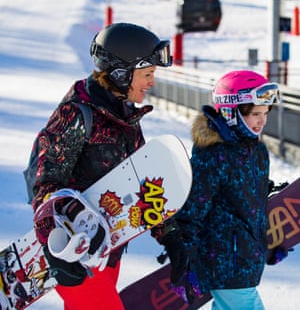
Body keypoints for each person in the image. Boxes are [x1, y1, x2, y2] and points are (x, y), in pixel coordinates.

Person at [30, 22, 172, 310]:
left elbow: (144, 185)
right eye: (146, 74)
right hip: (75, 255)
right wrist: (54, 243)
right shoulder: (77, 114)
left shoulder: (126, 118)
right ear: (121, 74)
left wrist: (170, 235)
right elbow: (46, 184)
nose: (151, 82)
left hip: (110, 250)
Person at [152, 70, 281, 310]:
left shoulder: (257, 152)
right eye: (255, 114)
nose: (262, 121)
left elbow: (251, 209)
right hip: (222, 259)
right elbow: (191, 210)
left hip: (245, 259)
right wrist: (184, 260)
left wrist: (268, 245)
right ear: (230, 112)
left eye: (265, 113)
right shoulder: (213, 155)